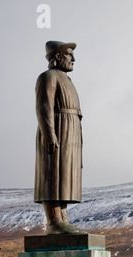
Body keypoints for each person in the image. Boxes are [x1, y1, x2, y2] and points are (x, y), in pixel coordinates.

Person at [34, 41, 86, 235]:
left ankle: (63, 219)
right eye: (68, 54)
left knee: (64, 175)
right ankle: (54, 221)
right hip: (56, 130)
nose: (73, 58)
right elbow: (44, 106)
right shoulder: (48, 77)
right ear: (57, 57)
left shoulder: (67, 80)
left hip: (70, 132)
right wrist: (49, 133)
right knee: (52, 174)